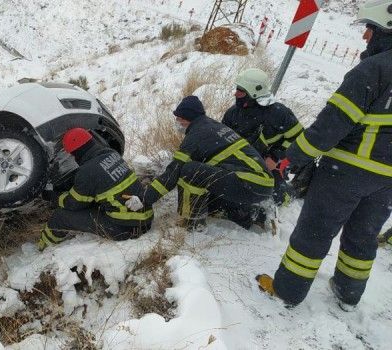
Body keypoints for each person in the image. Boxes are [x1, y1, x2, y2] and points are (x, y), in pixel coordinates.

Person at [256, 0, 392, 310]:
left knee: (314, 231)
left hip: (346, 171)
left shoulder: (373, 69)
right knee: (364, 234)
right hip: (387, 180)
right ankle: (348, 293)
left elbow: (329, 126)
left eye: (370, 29)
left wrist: (293, 158)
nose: (365, 37)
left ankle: (287, 292)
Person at [125, 96, 274, 231]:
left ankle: (192, 222)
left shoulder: (195, 136)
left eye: (179, 118)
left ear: (187, 118)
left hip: (249, 183)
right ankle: (252, 214)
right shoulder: (213, 126)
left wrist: (145, 198)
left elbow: (173, 173)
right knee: (206, 183)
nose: (177, 122)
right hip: (261, 183)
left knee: (189, 170)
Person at [37, 128, 153, 250]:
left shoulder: (87, 171)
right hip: (145, 218)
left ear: (75, 152)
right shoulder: (111, 153)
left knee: (59, 217)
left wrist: (50, 196)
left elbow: (73, 204)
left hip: (124, 228)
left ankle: (43, 248)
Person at [222, 68, 304, 205]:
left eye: (240, 91)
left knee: (279, 198)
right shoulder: (233, 113)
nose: (235, 94)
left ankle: (294, 191)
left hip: (272, 163)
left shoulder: (278, 113)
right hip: (243, 161)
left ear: (254, 93)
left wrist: (275, 157)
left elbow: (298, 137)